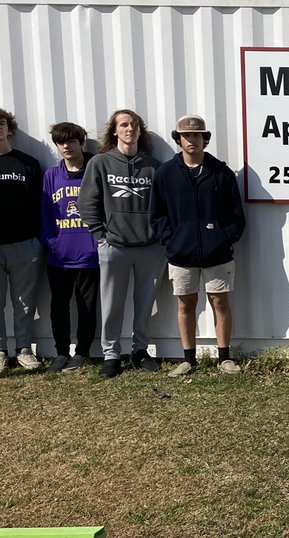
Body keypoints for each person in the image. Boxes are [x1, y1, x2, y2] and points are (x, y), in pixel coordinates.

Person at [150, 115, 246, 377]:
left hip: (218, 254)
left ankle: (224, 358)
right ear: (178, 139)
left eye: (196, 135)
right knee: (186, 304)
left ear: (205, 138)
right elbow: (157, 215)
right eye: (186, 135)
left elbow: (236, 216)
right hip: (181, 254)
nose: (191, 140)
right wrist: (171, 242)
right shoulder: (166, 174)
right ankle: (188, 359)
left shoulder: (221, 172)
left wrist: (223, 238)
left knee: (220, 302)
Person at [78, 109, 165, 378]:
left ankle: (139, 351)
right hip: (114, 247)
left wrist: (160, 237)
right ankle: (111, 355)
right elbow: (87, 203)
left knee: (145, 304)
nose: (130, 129)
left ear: (140, 131)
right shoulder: (101, 163)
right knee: (112, 304)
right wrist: (100, 237)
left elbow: (164, 207)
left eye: (134, 125)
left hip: (150, 248)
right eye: (124, 125)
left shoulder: (154, 166)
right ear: (115, 131)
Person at [40, 122, 99, 373]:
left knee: (87, 307)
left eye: (71, 141)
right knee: (58, 306)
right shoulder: (51, 176)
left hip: (90, 256)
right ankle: (61, 352)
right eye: (60, 142)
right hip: (59, 257)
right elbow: (45, 215)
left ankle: (82, 352)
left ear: (81, 143)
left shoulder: (94, 171)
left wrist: (97, 244)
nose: (66, 146)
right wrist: (52, 243)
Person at [0, 108, 44, 373]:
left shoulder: (27, 163)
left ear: (9, 129)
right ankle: (1, 352)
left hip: (25, 244)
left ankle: (24, 350)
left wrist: (37, 239)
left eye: (1, 123)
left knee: (24, 302)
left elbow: (40, 204)